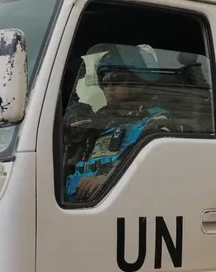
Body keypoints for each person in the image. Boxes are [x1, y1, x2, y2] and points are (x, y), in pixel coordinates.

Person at [62, 46, 172, 203]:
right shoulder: (99, 123)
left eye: (116, 78)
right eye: (104, 81)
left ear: (140, 82)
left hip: (116, 201)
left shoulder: (157, 120)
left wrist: (107, 179)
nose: (109, 87)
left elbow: (152, 169)